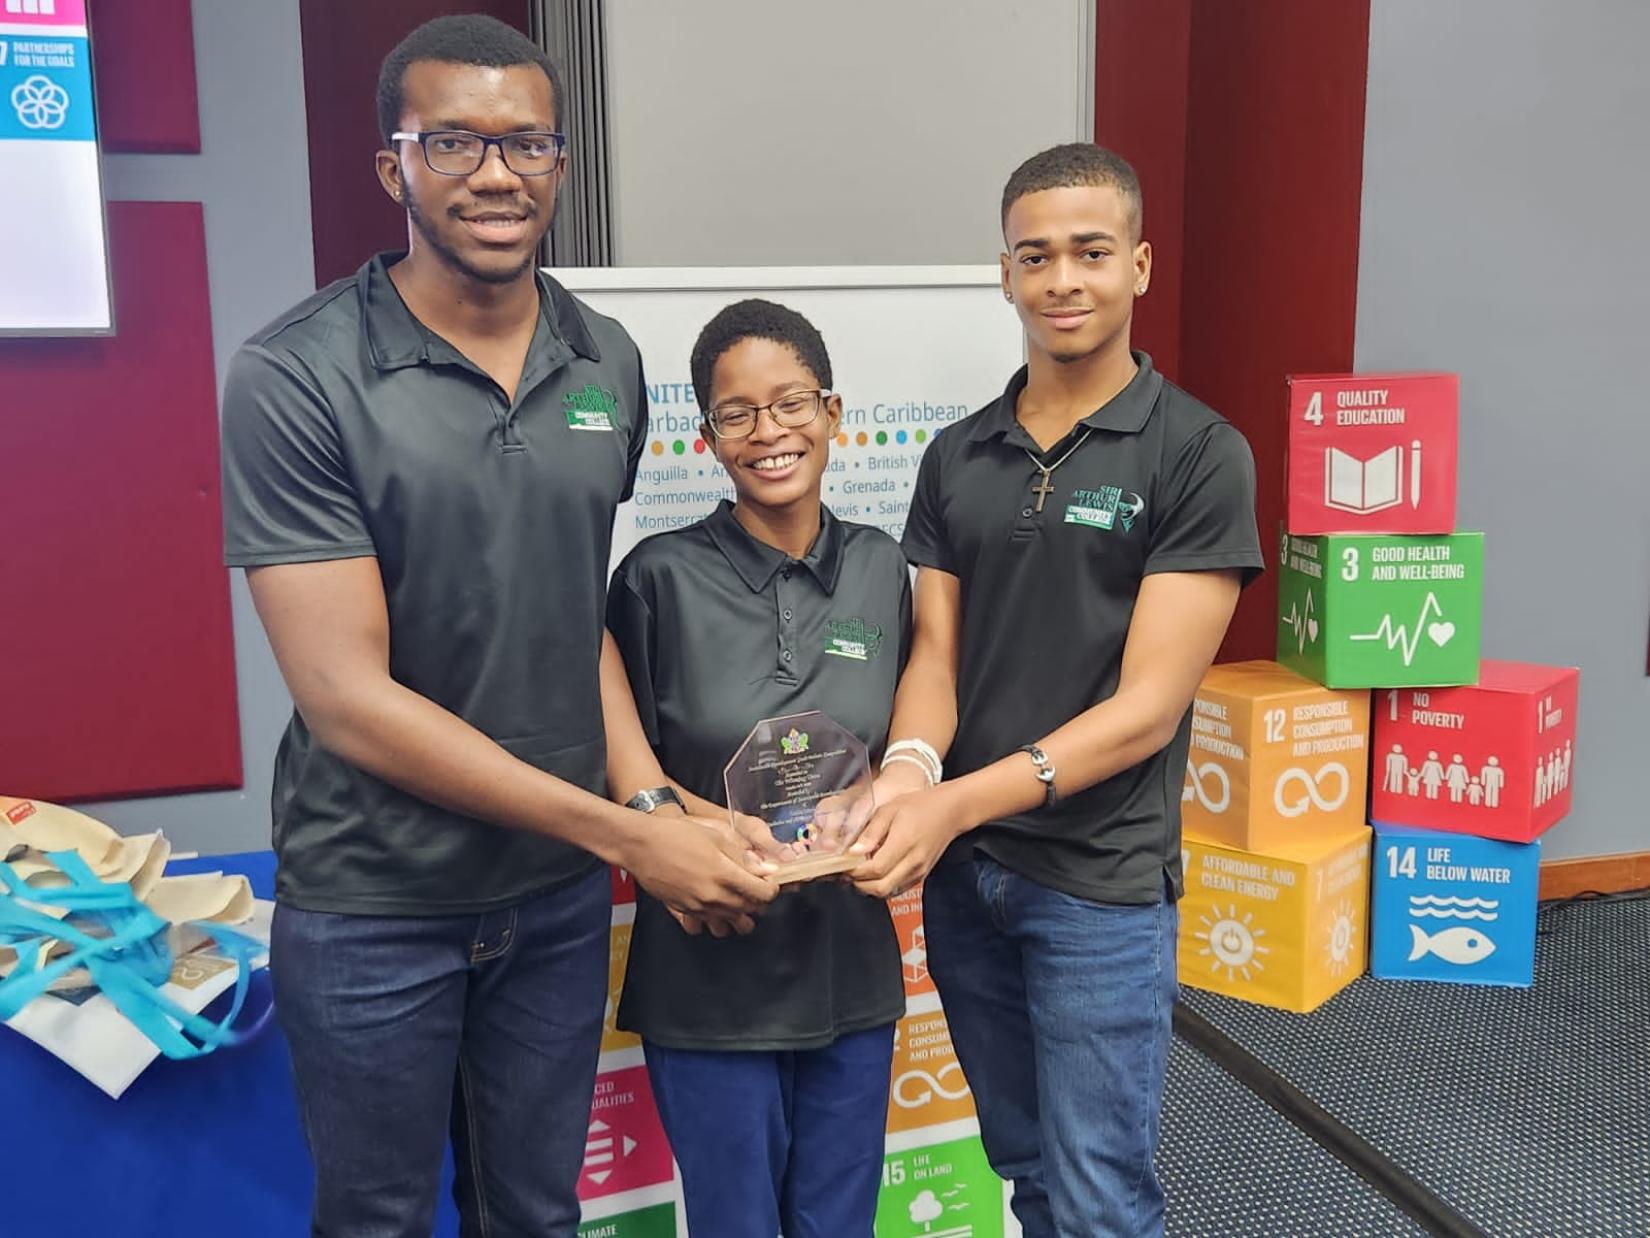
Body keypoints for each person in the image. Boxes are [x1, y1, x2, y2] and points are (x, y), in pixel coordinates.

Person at [218, 16, 772, 1236]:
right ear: (394, 168)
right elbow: (346, 698)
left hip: (553, 898)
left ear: (560, 165)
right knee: (379, 1217)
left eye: (526, 143)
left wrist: (649, 806)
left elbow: (568, 611)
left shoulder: (606, 360)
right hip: (376, 898)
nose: (494, 173)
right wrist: (624, 836)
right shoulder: (298, 376)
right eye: (454, 142)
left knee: (536, 1210)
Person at [851, 143, 1265, 1236]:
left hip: (1096, 882)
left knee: (1098, 1192)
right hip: (968, 877)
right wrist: (907, 773)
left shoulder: (1197, 453)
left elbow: (1148, 710)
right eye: (1036, 256)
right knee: (1025, 1163)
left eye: (1089, 252)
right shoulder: (955, 456)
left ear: (1139, 264)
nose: (1062, 279)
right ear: (1005, 274)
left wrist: (952, 802)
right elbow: (934, 656)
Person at [603, 299, 909, 1237]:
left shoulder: (881, 570)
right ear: (707, 439)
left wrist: (872, 801)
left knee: (840, 1224)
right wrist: (705, 823)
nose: (769, 432)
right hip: (711, 974)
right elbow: (617, 765)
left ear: (834, 412)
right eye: (737, 414)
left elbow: (905, 741)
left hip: (850, 967)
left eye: (791, 404)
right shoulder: (655, 580)